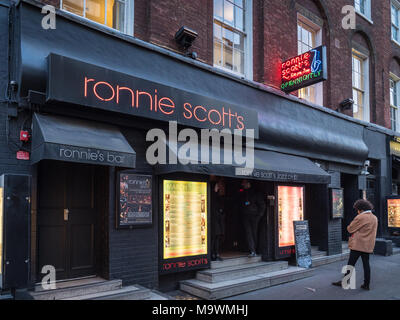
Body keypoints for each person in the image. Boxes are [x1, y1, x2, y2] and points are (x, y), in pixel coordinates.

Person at [332, 199, 378, 290]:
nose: (357, 211)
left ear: (361, 209)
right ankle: (366, 284)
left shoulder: (360, 217)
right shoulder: (374, 217)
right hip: (368, 245)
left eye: (357, 209)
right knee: (366, 264)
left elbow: (350, 229)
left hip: (358, 245)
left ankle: (345, 282)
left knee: (351, 264)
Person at [239, 180, 266, 257]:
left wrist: (259, 216)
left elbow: (262, 205)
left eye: (244, 183)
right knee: (249, 233)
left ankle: (254, 250)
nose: (242, 184)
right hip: (246, 216)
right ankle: (252, 250)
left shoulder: (256, 193)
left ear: (248, 183)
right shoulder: (243, 193)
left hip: (254, 216)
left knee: (253, 233)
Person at [211, 178, 226, 261]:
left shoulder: (217, 197)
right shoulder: (212, 197)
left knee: (217, 237)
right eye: (217, 186)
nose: (218, 188)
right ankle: (213, 254)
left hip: (218, 221)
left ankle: (216, 253)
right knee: (214, 238)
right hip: (214, 221)